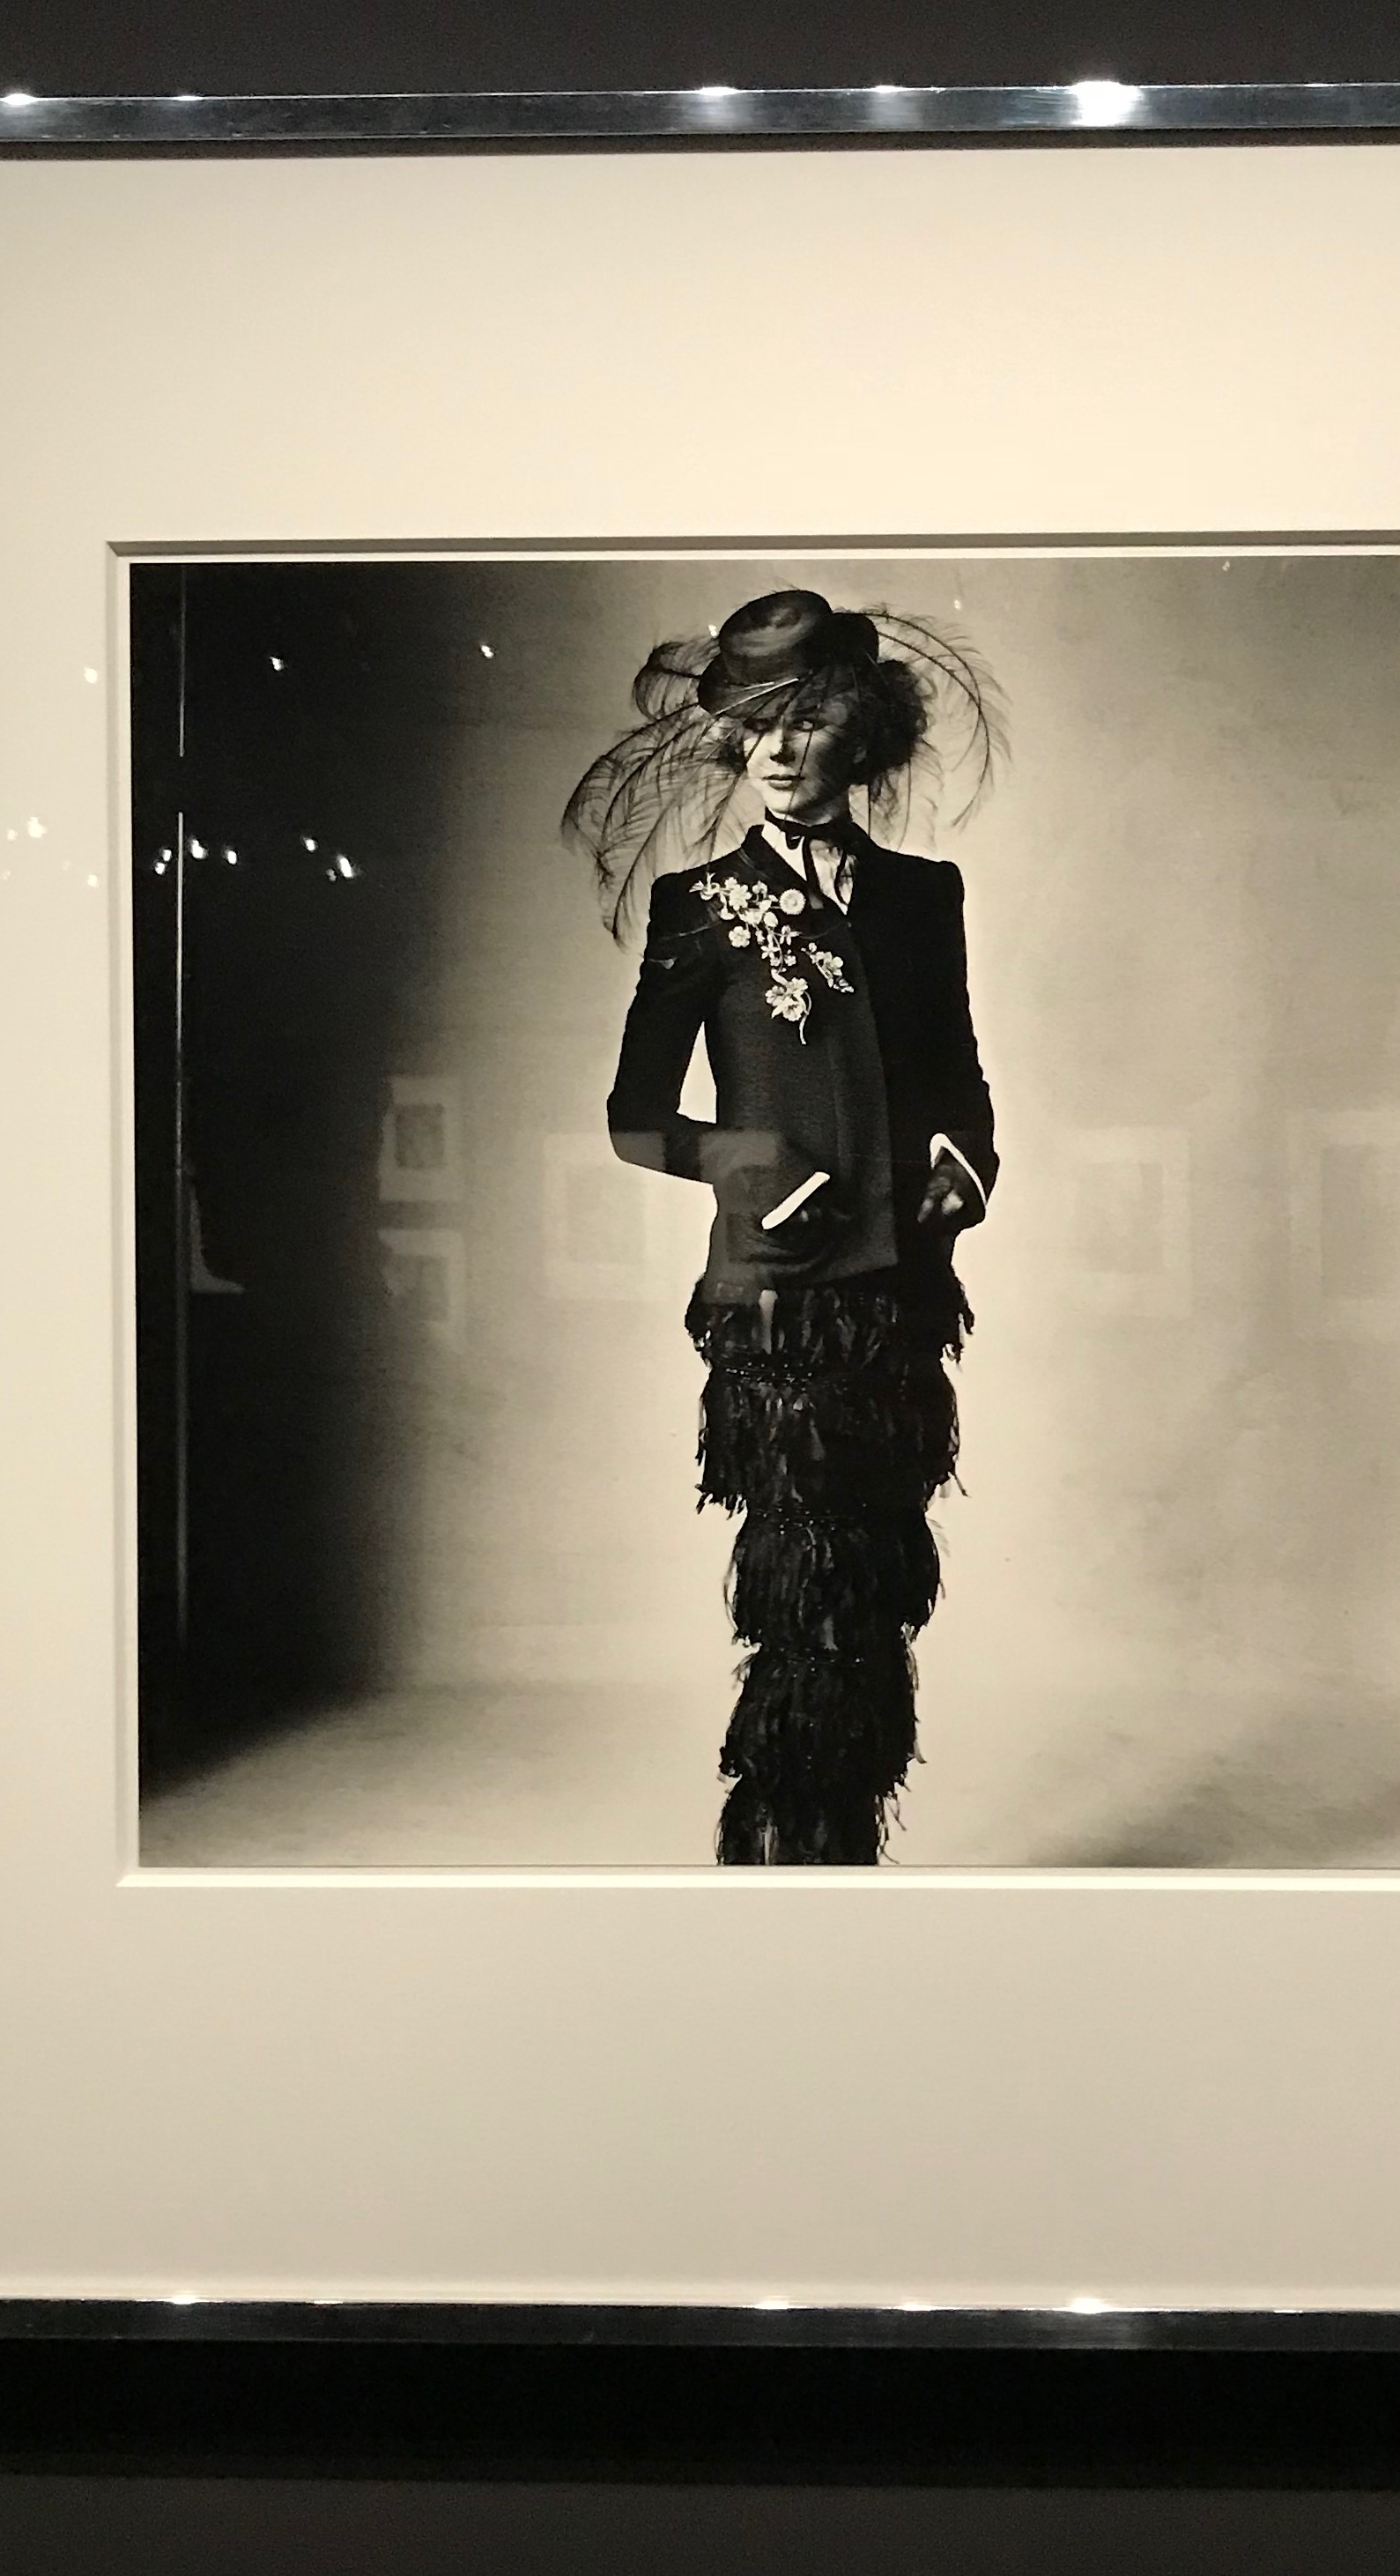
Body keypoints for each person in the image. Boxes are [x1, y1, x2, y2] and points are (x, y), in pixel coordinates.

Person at [565, 588, 1004, 1864]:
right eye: (757, 725)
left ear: (856, 731)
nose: (779, 749)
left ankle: (850, 1845)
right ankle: (783, 1853)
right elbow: (636, 1120)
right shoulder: (698, 904)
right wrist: (751, 1166)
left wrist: (964, 1165)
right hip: (780, 1301)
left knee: (873, 1588)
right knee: (800, 1592)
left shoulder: (924, 897)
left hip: (897, 1296)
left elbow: (961, 1078)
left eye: (805, 721)